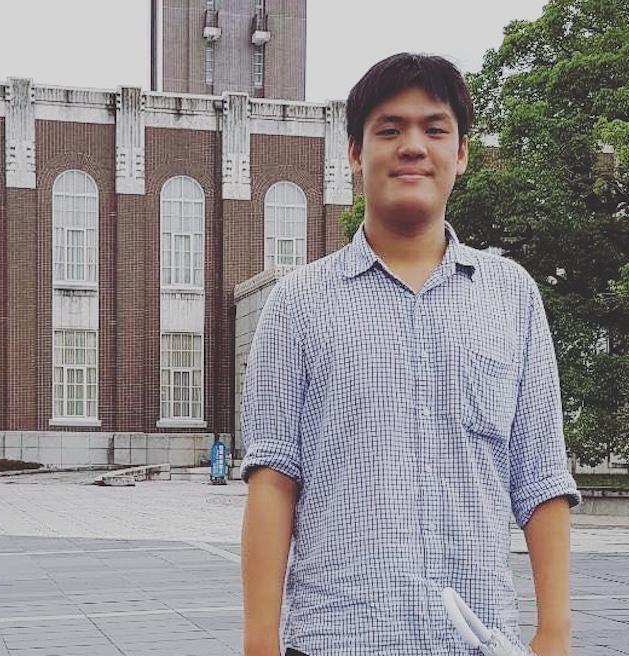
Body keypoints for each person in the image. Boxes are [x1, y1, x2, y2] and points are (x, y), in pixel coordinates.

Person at [240, 53, 581, 656]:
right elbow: (273, 481)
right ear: (354, 152)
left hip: (478, 640)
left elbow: (542, 478)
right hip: (335, 638)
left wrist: (553, 631)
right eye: (389, 129)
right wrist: (260, 642)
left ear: (463, 153)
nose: (412, 146)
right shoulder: (297, 304)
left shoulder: (512, 296)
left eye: (435, 128)